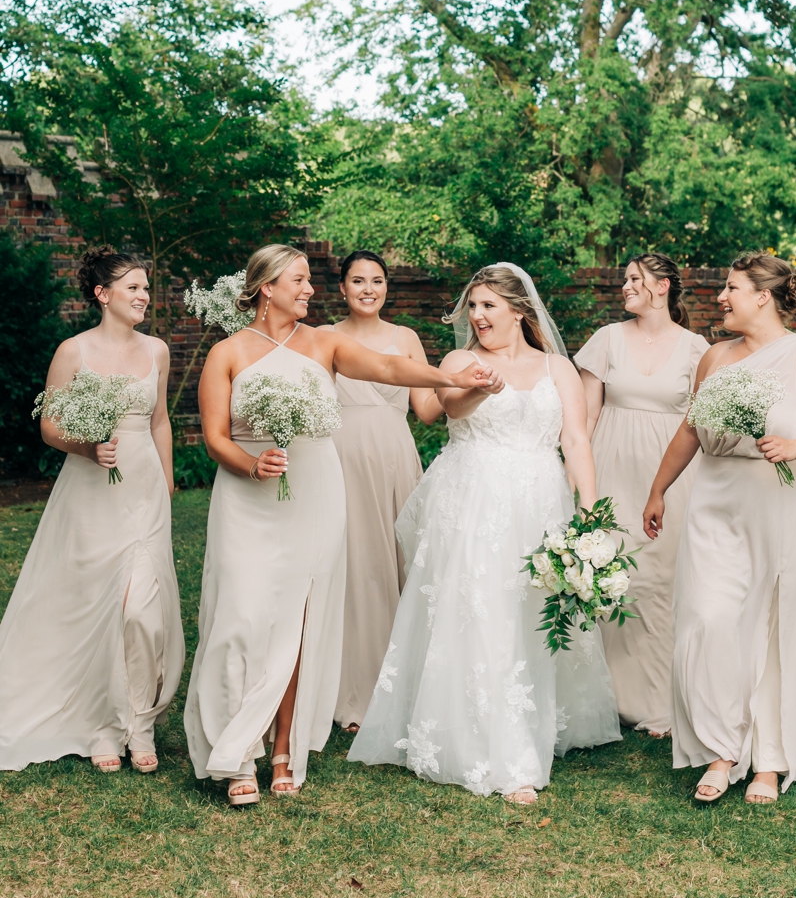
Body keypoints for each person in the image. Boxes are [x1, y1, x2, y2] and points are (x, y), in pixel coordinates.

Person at [185, 243, 497, 806]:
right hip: (246, 499)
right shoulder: (226, 353)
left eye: (308, 280)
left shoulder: (324, 343)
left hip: (315, 494)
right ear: (266, 287)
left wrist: (453, 379)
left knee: (298, 622)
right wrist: (252, 464)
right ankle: (237, 744)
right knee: (239, 618)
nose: (309, 289)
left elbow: (386, 367)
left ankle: (281, 746)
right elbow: (214, 437)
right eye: (299, 280)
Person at [348, 263, 622, 802]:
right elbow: (448, 407)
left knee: (525, 609)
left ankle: (526, 720)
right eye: (472, 306)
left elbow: (576, 439)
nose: (477, 316)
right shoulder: (460, 360)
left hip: (539, 499)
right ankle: (502, 751)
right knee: (479, 609)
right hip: (473, 499)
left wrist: (590, 514)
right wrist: (476, 388)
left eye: (488, 306)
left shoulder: (558, 369)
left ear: (520, 310)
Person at [643, 253, 796, 805]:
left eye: (730, 288)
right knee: (708, 618)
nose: (720, 298)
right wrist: (659, 488)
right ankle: (720, 746)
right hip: (717, 502)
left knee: (774, 626)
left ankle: (769, 760)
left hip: (788, 504)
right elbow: (690, 430)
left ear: (763, 296)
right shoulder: (713, 357)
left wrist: (795, 447)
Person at [0, 247, 183, 774]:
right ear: (103, 295)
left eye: (146, 287)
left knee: (141, 610)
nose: (143, 296)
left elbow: (160, 420)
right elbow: (50, 425)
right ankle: (102, 725)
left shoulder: (158, 351)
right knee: (98, 604)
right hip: (90, 492)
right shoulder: (72, 351)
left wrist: (167, 478)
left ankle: (140, 724)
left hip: (144, 490)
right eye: (132, 288)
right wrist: (87, 446)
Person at [576, 253, 709, 736]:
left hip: (671, 476)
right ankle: (607, 694)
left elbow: (701, 423)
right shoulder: (606, 340)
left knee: (662, 579)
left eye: (635, 279)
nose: (625, 286)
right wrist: (579, 480)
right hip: (611, 471)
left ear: (663, 286)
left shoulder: (697, 349)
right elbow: (585, 418)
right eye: (626, 279)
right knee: (608, 577)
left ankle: (661, 698)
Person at [331, 249, 444, 731]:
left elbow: (427, 409)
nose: (368, 289)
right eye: (358, 281)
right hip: (340, 459)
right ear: (342, 288)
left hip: (396, 458)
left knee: (399, 561)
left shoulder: (405, 337)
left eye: (377, 280)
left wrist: (469, 386)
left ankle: (402, 687)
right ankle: (353, 691)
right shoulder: (324, 338)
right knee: (355, 565)